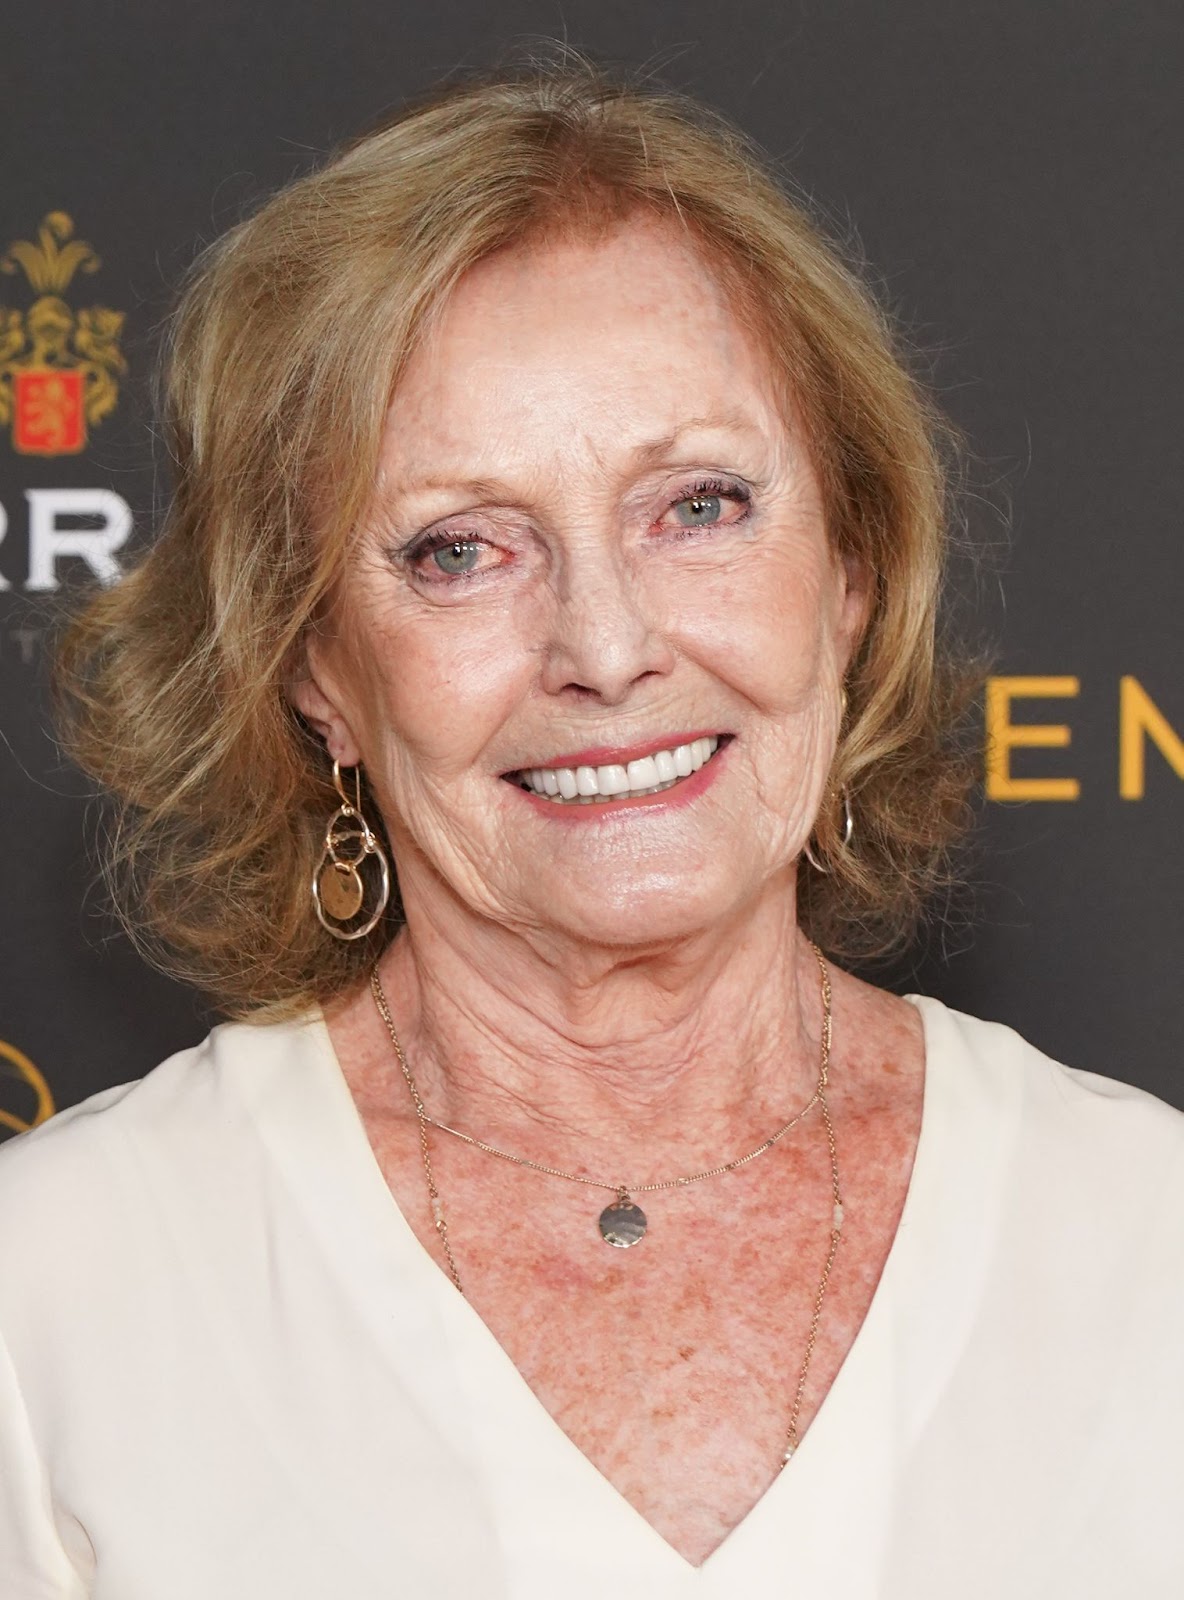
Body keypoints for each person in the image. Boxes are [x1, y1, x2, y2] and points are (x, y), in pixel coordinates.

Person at [1, 60, 1182, 1600]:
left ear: (852, 577)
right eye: (460, 549)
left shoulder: (1145, 1236)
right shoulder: (52, 1295)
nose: (608, 647)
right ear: (314, 671)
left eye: (697, 506)